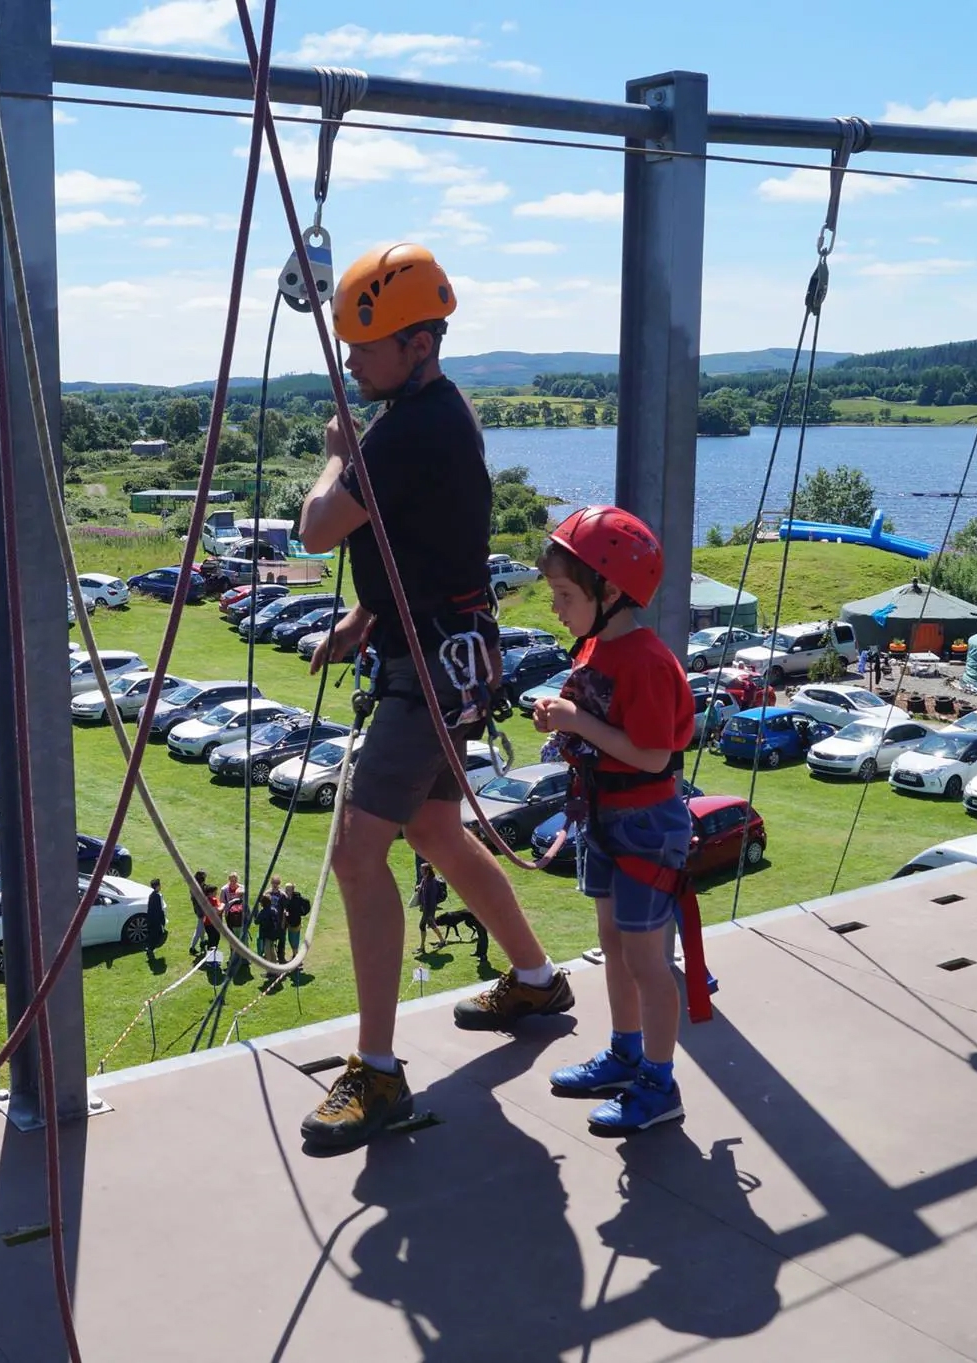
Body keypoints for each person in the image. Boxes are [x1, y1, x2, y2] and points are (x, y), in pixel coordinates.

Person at [295, 243, 571, 1150]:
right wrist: (368, 616)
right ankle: (534, 975)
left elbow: (317, 527)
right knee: (436, 831)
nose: (352, 363)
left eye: (366, 348)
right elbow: (424, 546)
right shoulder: (433, 413)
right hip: (448, 652)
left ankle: (376, 1073)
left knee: (354, 852)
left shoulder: (407, 430)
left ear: (419, 344)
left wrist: (335, 456)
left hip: (434, 671)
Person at [532, 506, 698, 1133]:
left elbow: (654, 754)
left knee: (647, 961)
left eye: (565, 594)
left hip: (644, 825)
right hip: (606, 816)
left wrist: (578, 723)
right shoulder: (600, 646)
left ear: (610, 591)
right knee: (614, 947)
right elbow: (602, 725)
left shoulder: (648, 662)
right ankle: (627, 1052)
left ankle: (660, 1082)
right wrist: (563, 715)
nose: (556, 608)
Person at [413, 863, 446, 955]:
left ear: (427, 871)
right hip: (427, 908)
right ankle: (442, 941)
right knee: (431, 924)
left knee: (422, 925)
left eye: (422, 869)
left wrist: (426, 910)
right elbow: (421, 886)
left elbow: (431, 898)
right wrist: (418, 887)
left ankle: (422, 947)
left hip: (429, 908)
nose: (420, 871)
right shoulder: (425, 879)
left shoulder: (432, 882)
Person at [281, 881, 309, 959]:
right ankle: (295, 954)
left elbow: (307, 903)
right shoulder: (284, 897)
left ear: (292, 890)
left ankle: (295, 955)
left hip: (295, 922)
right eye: (286, 889)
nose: (286, 891)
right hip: (287, 922)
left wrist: (302, 913)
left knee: (293, 940)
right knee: (290, 939)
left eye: (288, 889)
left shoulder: (297, 898)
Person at [144, 877, 167, 963]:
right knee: (157, 935)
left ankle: (149, 947)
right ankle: (150, 948)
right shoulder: (157, 896)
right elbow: (159, 910)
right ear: (157, 886)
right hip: (155, 920)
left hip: (151, 919)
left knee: (153, 934)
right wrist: (162, 920)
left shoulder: (152, 895)